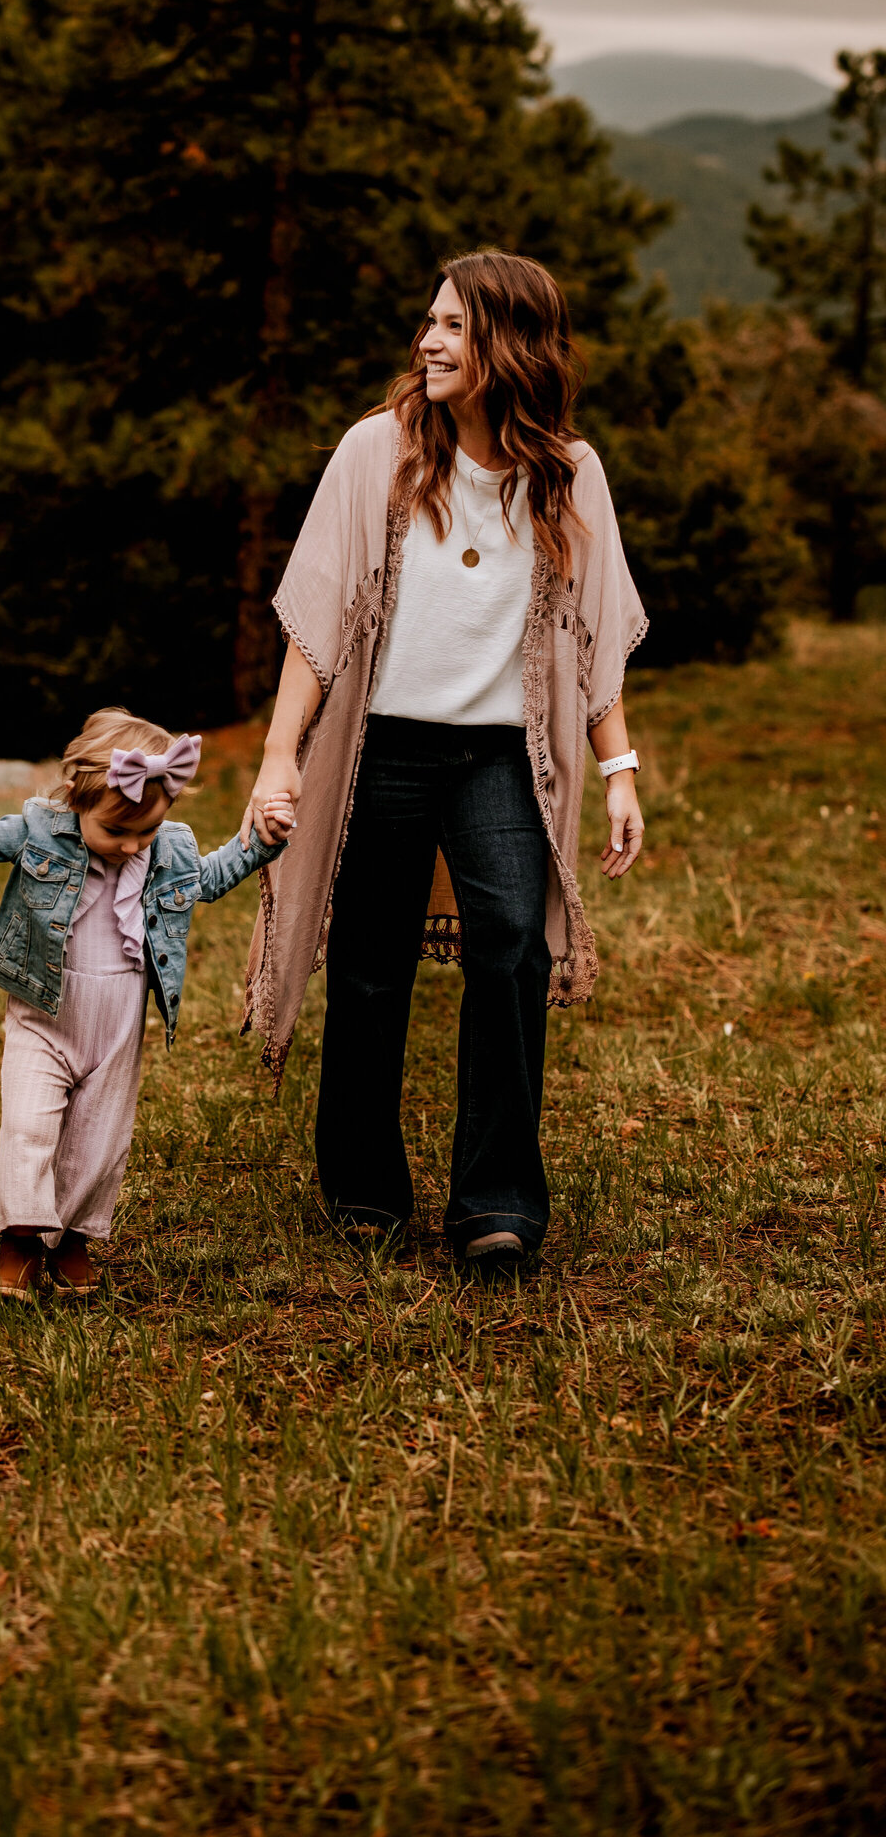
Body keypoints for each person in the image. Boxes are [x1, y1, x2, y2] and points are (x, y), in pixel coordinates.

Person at [240, 251, 646, 1272]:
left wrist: (618, 769)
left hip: (501, 754)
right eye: (428, 322)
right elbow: (316, 623)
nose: (428, 341)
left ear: (510, 343)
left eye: (454, 327)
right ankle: (365, 1192)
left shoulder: (566, 473)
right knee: (370, 963)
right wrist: (278, 757)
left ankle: (495, 1203)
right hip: (383, 743)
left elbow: (590, 636)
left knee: (511, 944)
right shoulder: (374, 452)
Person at [0, 710, 294, 1303]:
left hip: (118, 1025)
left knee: (99, 1140)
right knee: (27, 1127)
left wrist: (262, 842)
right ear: (76, 799)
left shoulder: (166, 850)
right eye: (116, 832)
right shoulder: (39, 831)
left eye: (145, 832)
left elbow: (211, 878)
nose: (131, 847)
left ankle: (70, 1239)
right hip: (44, 1014)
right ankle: (19, 1245)